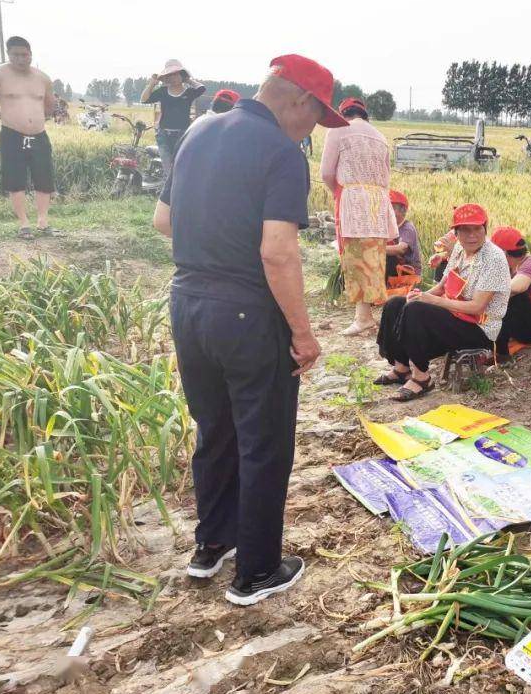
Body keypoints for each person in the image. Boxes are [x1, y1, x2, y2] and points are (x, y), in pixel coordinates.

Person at [152, 54, 343, 606]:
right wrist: (303, 335)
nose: (312, 132)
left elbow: (163, 221)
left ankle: (212, 545)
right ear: (299, 100)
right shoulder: (281, 152)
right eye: (316, 118)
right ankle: (257, 571)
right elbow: (278, 253)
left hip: (188, 303)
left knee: (215, 430)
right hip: (246, 313)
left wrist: (211, 251)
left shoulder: (198, 129)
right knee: (264, 441)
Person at [375, 203, 511, 402]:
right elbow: (442, 286)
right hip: (457, 315)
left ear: (485, 229)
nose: (472, 235)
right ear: (456, 233)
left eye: (477, 229)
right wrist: (417, 296)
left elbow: (477, 307)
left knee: (416, 310)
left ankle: (422, 377)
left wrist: (429, 301)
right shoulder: (459, 249)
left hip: (479, 327)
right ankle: (402, 367)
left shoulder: (494, 258)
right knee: (396, 303)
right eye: (465, 230)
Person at [320, 96, 396, 335]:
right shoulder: (380, 137)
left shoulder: (338, 131)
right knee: (372, 255)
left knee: (355, 256)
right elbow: (386, 175)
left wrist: (339, 193)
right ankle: (365, 314)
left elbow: (326, 173)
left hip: (353, 198)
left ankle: (363, 317)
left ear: (343, 114)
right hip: (378, 200)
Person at [0, 36, 56, 239]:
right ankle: (23, 224)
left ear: (31, 54)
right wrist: (2, 116)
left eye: (25, 54)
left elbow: (50, 104)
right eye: (16, 55)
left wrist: (38, 118)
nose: (21, 59)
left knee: (44, 177)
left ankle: (43, 221)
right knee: (16, 179)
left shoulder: (43, 78)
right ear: (9, 54)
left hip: (39, 134)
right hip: (11, 133)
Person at [490, 226, 531, 358]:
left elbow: (517, 287)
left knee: (513, 298)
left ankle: (501, 354)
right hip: (530, 325)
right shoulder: (512, 266)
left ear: (504, 253)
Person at [141, 59, 206, 176]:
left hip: (183, 134)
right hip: (163, 135)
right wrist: (151, 84)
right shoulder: (162, 91)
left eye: (177, 74)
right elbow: (144, 99)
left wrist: (188, 80)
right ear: (166, 77)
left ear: (182, 75)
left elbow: (201, 88)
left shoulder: (189, 92)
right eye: (170, 75)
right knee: (168, 170)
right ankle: (168, 191)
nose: (173, 77)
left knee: (181, 166)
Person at [385, 189, 422, 284]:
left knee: (388, 257)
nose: (387, 212)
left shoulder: (407, 228)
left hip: (409, 273)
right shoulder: (390, 227)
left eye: (391, 208)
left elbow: (401, 249)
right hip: (397, 270)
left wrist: (376, 249)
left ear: (403, 211)